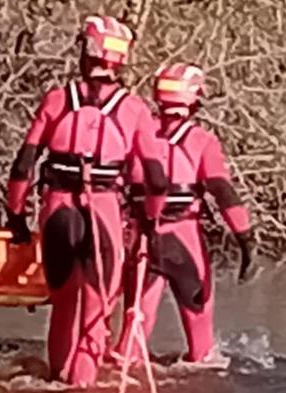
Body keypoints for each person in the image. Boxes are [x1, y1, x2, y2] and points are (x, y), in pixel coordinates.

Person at [5, 15, 167, 386]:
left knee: (63, 307)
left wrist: (15, 217)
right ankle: (82, 384)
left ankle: (58, 379)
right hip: (104, 212)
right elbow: (156, 179)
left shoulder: (57, 100)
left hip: (58, 211)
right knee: (97, 312)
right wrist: (151, 225)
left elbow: (23, 166)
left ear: (85, 52)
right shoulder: (134, 110)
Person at [111, 62, 254, 367]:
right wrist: (245, 242)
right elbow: (224, 193)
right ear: (195, 99)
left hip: (143, 240)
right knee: (202, 345)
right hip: (184, 239)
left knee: (132, 336)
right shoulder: (202, 142)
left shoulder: (138, 133)